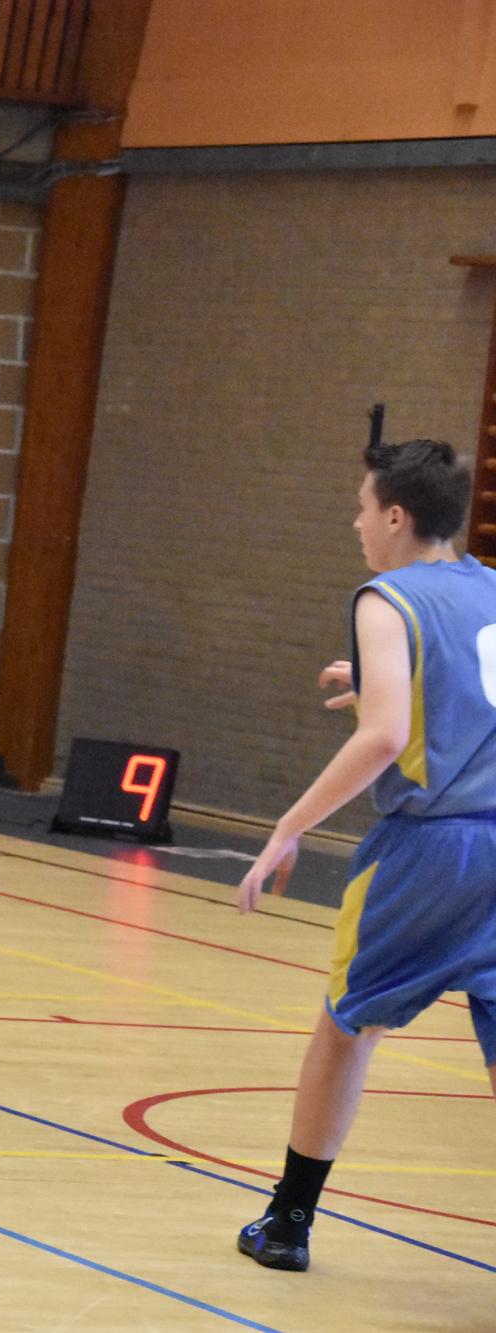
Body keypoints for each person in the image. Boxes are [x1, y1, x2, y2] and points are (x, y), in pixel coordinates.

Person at [234, 439, 496, 1273]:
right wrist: (389, 684)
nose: (355, 522)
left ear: (395, 515)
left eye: (361, 506)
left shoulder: (387, 598)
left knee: (348, 1024)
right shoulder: (492, 588)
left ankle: (287, 1222)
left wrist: (288, 826)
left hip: (433, 850)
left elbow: (385, 737)